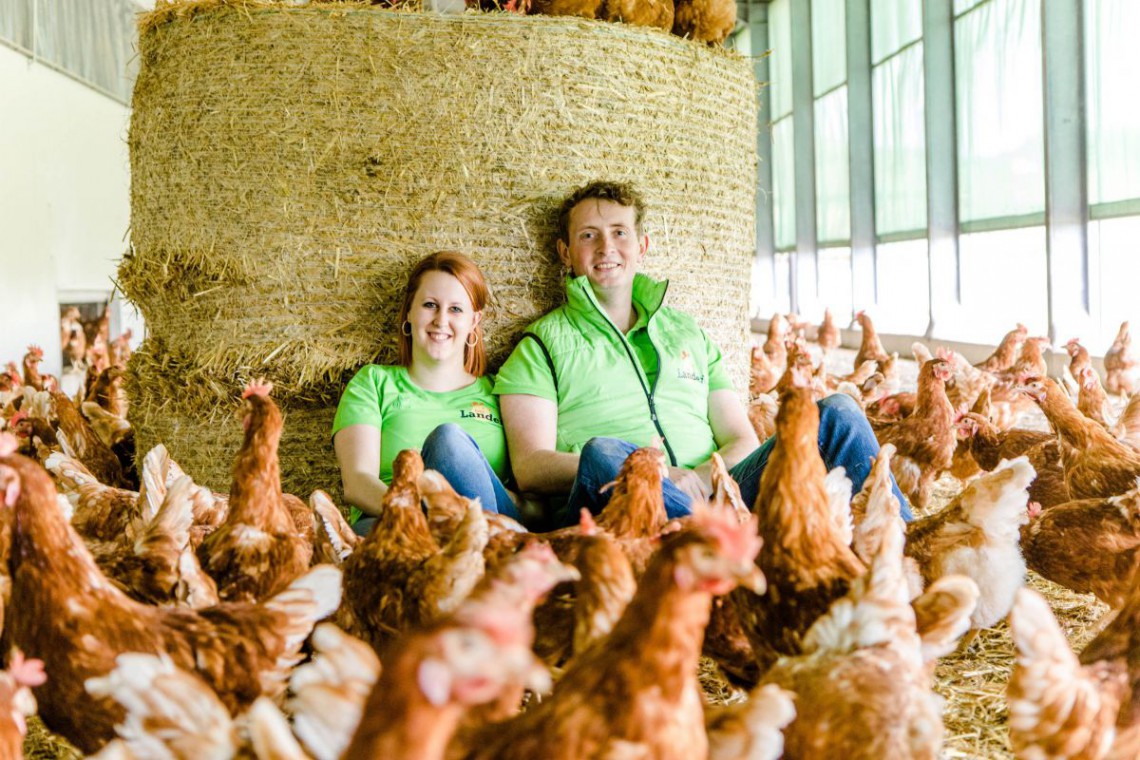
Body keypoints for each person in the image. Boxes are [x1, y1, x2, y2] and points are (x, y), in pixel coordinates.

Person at [493, 181, 912, 529]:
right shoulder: (541, 346)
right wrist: (649, 471)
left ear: (642, 245)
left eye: (620, 232)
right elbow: (531, 466)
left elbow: (740, 439)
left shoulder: (686, 332)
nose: (607, 247)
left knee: (837, 410)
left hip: (718, 493)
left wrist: (697, 478)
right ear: (565, 252)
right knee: (605, 452)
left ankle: (910, 543)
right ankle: (722, 549)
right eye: (588, 235)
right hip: (622, 503)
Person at [332, 251, 518, 536]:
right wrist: (423, 518)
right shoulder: (373, 383)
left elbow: (532, 502)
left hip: (487, 529)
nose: (441, 320)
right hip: (398, 524)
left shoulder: (501, 391)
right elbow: (357, 482)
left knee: (449, 443)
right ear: (409, 311)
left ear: (473, 321)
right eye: (430, 305)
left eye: (456, 309)